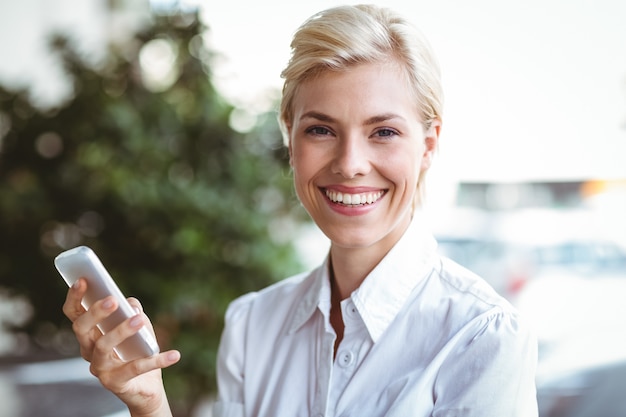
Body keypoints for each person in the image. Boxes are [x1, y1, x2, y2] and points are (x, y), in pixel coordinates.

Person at [63, 4, 538, 417]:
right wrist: (149, 405)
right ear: (290, 138)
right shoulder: (252, 325)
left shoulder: (482, 337)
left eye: (384, 132)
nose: (350, 164)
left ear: (429, 145)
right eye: (321, 130)